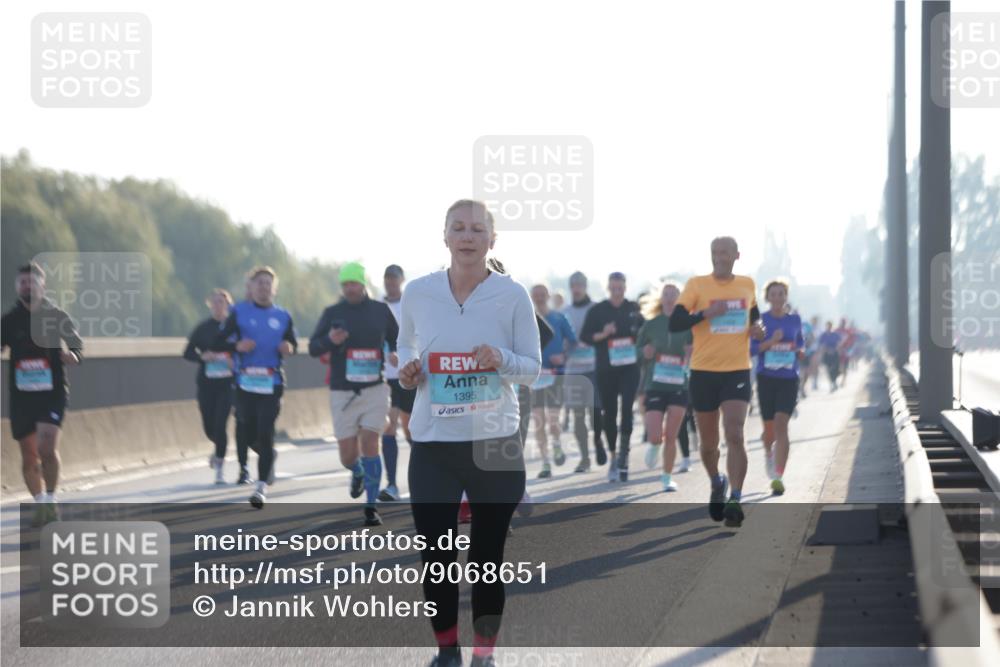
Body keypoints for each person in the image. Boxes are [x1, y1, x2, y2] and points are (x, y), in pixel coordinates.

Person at [397, 199, 540, 667]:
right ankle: (446, 651)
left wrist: (501, 358)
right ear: (444, 236)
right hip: (434, 445)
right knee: (436, 557)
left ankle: (484, 654)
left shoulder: (512, 295)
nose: (467, 236)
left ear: (492, 240)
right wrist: (408, 371)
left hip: (495, 445)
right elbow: (404, 345)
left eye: (478, 229)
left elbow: (533, 369)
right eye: (458, 227)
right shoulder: (418, 293)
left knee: (485, 560)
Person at [670, 237, 764, 527]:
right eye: (714, 252)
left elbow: (754, 314)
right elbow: (675, 322)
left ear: (736, 255)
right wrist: (705, 313)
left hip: (737, 370)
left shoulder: (747, 284)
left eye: (724, 252)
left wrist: (757, 327)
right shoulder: (697, 285)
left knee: (735, 433)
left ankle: (735, 497)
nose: (718, 257)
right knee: (709, 444)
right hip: (703, 372)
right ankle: (716, 481)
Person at [308, 261, 398, 527]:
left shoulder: (380, 311)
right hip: (342, 391)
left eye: (354, 284)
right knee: (347, 455)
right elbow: (313, 347)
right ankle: (357, 471)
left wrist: (395, 352)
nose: (350, 289)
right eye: (345, 284)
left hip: (375, 389)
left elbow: (398, 337)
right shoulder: (332, 313)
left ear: (363, 284)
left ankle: (371, 506)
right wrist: (330, 341)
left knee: (370, 442)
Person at [2, 262, 82, 526]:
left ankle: (50, 497)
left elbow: (76, 344)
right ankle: (41, 504)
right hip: (22, 395)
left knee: (46, 448)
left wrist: (73, 355)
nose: (27, 286)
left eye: (32, 282)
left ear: (42, 285)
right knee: (29, 456)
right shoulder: (9, 320)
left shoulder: (56, 316)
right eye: (22, 282)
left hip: (52, 392)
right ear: (18, 287)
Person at [213, 266, 297, 509]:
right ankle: (267, 456)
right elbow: (218, 342)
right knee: (248, 433)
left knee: (266, 430)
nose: (264, 287)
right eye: (259, 283)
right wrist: (237, 346)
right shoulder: (239, 312)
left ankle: (260, 487)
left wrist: (288, 348)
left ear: (274, 288)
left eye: (268, 283)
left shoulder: (283, 316)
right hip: (245, 384)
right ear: (252, 287)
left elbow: (293, 344)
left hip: (272, 383)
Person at [580, 272, 644, 482]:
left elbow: (645, 334)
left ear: (625, 288)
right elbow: (585, 336)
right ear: (608, 288)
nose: (617, 292)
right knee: (609, 414)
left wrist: (641, 342)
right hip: (606, 369)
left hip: (629, 368)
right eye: (613, 288)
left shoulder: (634, 308)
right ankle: (614, 457)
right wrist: (604, 334)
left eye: (620, 288)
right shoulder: (598, 310)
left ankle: (624, 455)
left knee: (627, 410)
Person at [637, 282, 693, 492]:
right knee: (655, 435)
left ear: (680, 299)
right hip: (655, 385)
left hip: (679, 385)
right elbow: (637, 352)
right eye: (666, 294)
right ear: (661, 298)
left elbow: (698, 353)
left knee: (671, 436)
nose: (670, 298)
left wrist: (691, 353)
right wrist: (645, 353)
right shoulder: (651, 324)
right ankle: (653, 445)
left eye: (674, 294)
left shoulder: (688, 325)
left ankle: (667, 478)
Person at [751, 280, 804, 496]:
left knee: (782, 425)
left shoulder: (795, 320)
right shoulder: (761, 320)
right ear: (767, 297)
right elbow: (753, 349)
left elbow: (800, 343)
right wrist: (772, 341)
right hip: (766, 378)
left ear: (786, 296)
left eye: (781, 294)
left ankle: (778, 476)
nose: (777, 298)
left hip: (789, 378)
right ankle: (768, 454)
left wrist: (799, 350)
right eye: (773, 294)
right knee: (770, 431)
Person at [183, 289, 236, 485]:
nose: (218, 305)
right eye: (214, 302)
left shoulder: (234, 328)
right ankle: (218, 448)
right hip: (207, 384)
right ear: (210, 305)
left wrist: (233, 361)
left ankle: (220, 469)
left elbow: (244, 349)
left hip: (227, 384)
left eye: (221, 302)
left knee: (221, 425)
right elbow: (187, 352)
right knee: (209, 428)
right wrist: (202, 357)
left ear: (228, 305)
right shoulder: (203, 328)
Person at [529, 284, 576, 478]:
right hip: (534, 376)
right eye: (536, 295)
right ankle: (545, 462)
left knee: (553, 420)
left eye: (543, 294)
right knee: (538, 421)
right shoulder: (527, 318)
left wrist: (564, 356)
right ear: (531, 297)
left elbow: (573, 341)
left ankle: (556, 444)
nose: (540, 297)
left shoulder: (559, 318)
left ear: (548, 296)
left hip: (556, 374)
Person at [378, 264, 415, 503]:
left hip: (410, 375)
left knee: (410, 429)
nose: (390, 282)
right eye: (387, 279)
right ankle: (391, 485)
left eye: (394, 278)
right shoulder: (377, 308)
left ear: (402, 280)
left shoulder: (410, 304)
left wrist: (404, 356)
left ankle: (425, 474)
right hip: (387, 377)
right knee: (389, 426)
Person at [562, 271, 604, 471]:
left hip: (594, 368)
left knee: (595, 414)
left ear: (585, 287)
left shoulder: (596, 309)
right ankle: (585, 458)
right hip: (573, 370)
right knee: (578, 416)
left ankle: (598, 442)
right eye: (573, 285)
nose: (576, 289)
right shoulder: (565, 312)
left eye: (580, 285)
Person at [818, 321, 842, 391]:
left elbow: (839, 343)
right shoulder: (823, 335)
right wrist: (826, 350)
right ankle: (832, 383)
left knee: (835, 369)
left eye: (830, 326)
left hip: (834, 353)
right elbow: (821, 344)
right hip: (827, 354)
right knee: (829, 370)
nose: (829, 327)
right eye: (827, 326)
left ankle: (834, 381)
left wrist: (835, 349)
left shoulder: (835, 334)